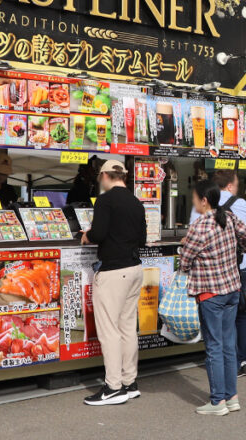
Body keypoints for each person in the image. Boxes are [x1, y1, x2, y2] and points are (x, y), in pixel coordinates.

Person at [180, 180, 246, 416]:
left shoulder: (199, 227)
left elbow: (185, 262)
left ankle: (217, 402)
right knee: (227, 345)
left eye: (195, 199)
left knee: (214, 347)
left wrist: (187, 255)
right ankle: (231, 397)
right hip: (232, 289)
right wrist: (241, 247)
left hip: (210, 294)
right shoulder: (229, 218)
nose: (194, 203)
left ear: (204, 200)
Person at [82, 160, 147, 407]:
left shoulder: (105, 201)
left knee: (109, 331)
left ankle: (113, 387)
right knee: (128, 328)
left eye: (101, 177)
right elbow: (141, 238)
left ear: (107, 176)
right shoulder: (135, 202)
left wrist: (87, 235)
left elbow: (98, 234)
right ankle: (130, 383)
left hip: (112, 271)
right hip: (134, 268)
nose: (100, 181)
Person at [190, 171, 246, 377]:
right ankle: (242, 361)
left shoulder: (201, 210)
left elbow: (193, 235)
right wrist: (241, 247)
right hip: (237, 271)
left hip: (211, 277)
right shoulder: (241, 206)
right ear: (229, 186)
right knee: (239, 316)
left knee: (215, 331)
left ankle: (218, 373)